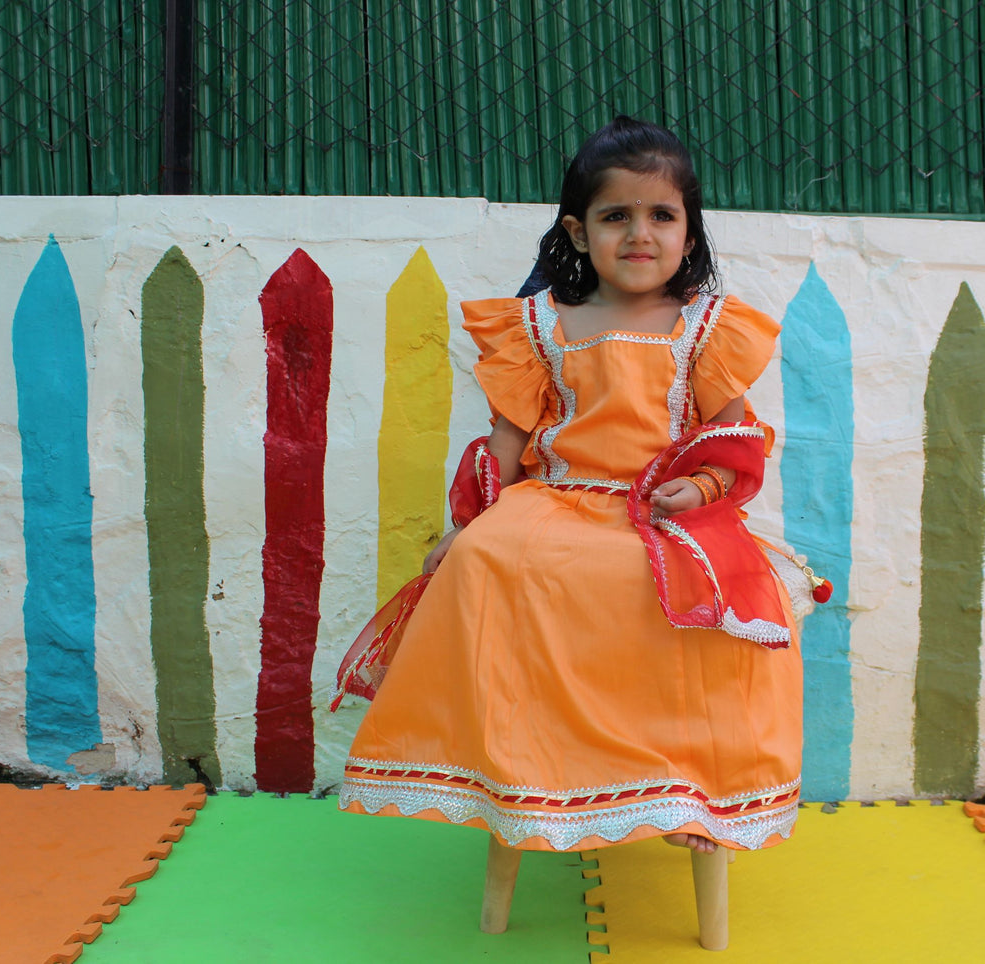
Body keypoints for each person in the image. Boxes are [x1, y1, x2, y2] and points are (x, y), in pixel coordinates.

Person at [334, 116, 804, 859]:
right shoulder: (540, 328)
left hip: (659, 510)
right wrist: (468, 524)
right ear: (579, 233)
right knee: (488, 559)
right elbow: (507, 446)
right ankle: (514, 775)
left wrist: (700, 489)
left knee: (711, 597)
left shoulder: (708, 329)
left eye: (660, 215)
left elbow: (733, 446)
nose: (638, 233)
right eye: (615, 216)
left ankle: (693, 789)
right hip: (555, 500)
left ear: (689, 232)